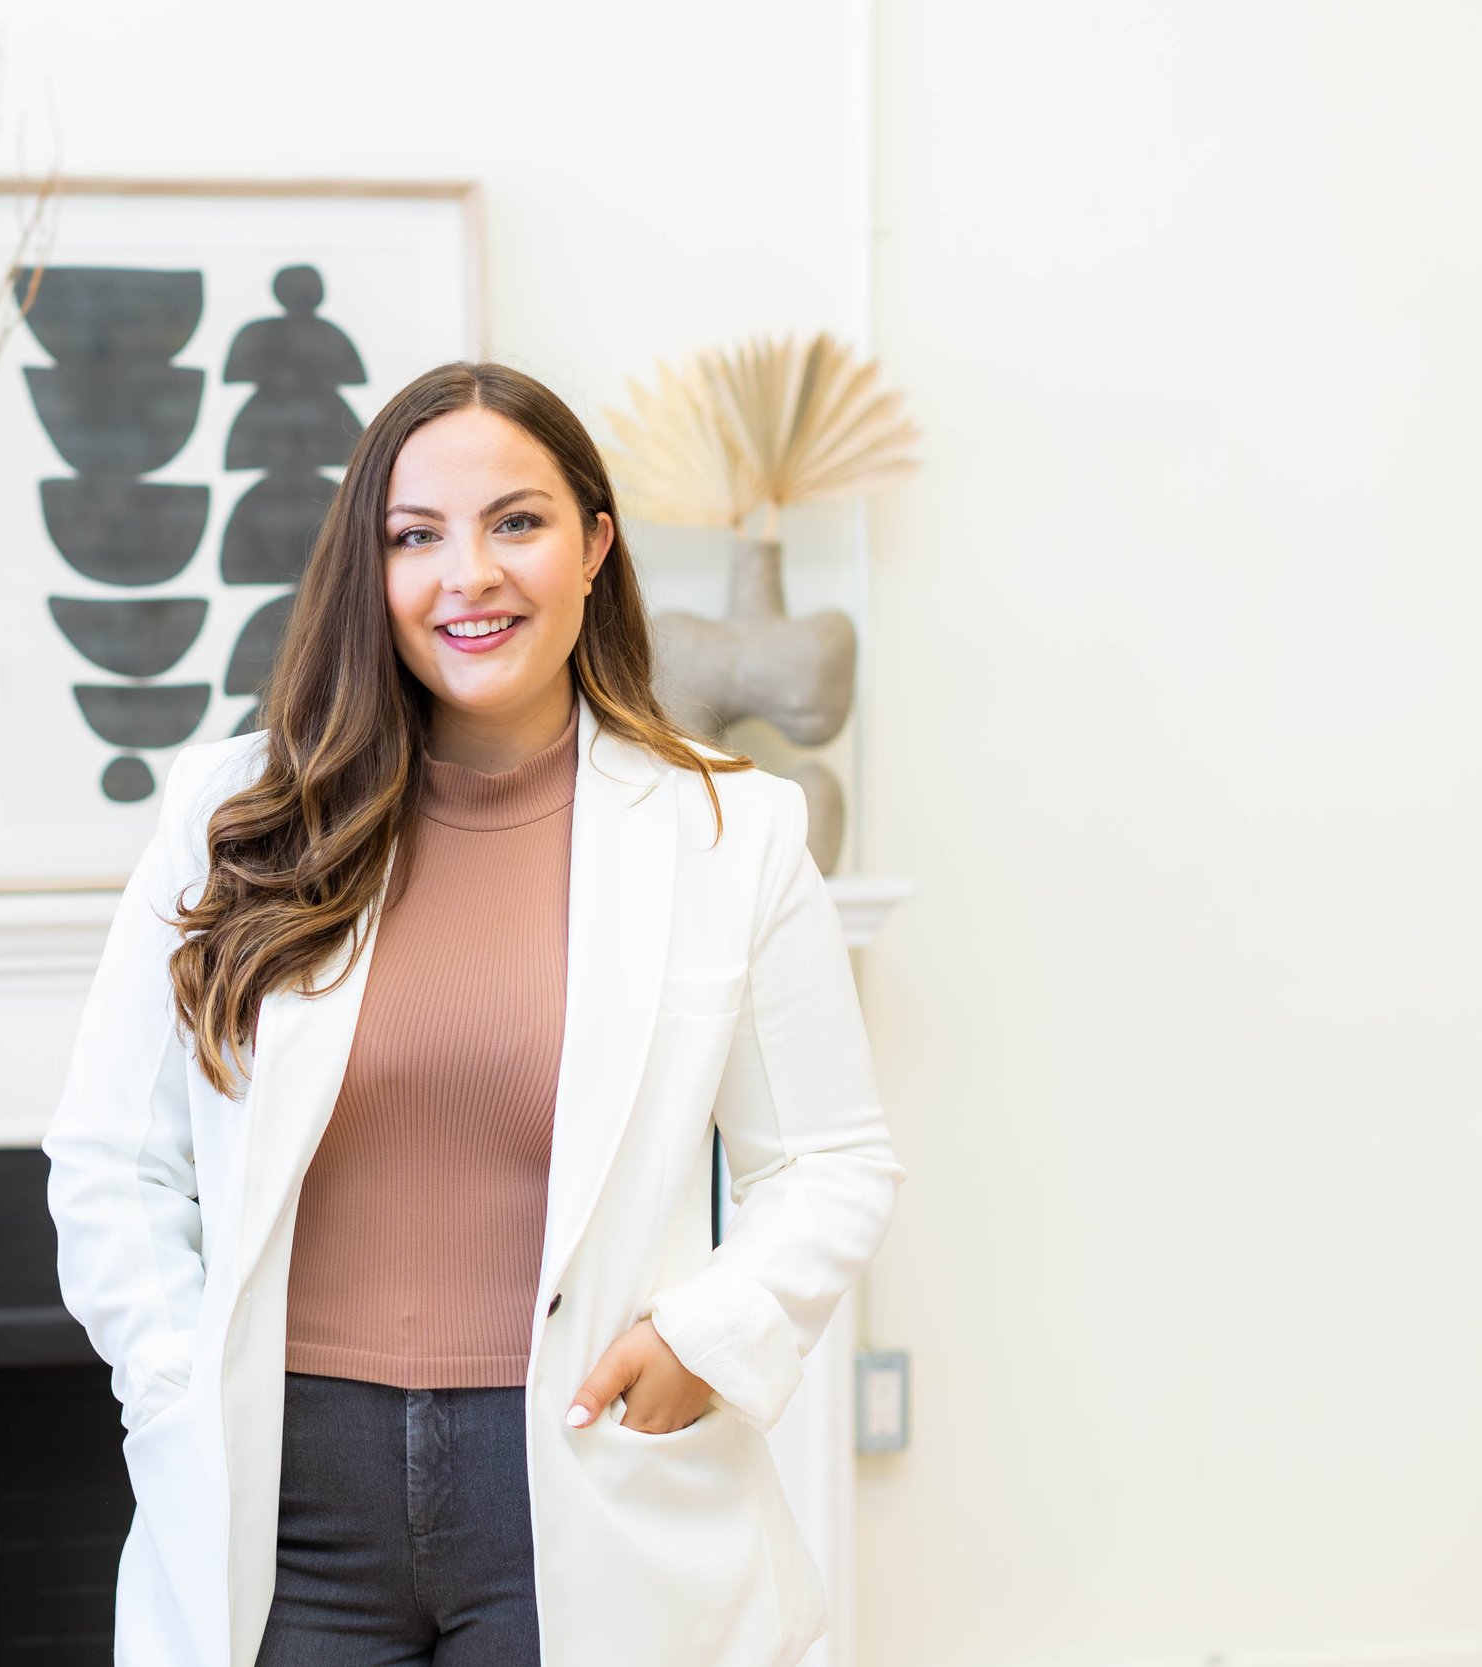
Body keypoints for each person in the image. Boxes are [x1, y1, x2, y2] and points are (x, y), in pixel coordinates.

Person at [44, 359, 906, 1667]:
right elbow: (113, 1158)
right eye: (416, 536)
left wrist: (709, 1339)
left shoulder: (732, 832)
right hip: (287, 1506)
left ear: (595, 546)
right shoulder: (233, 816)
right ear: (368, 566)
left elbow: (832, 1163)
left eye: (518, 522)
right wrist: (173, 1387)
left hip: (581, 1484)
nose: (471, 575)